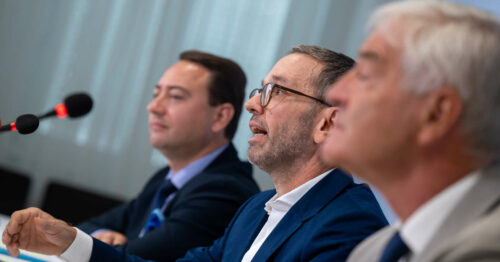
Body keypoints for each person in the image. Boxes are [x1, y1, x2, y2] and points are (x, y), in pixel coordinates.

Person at [2, 45, 388, 261]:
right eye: (259, 89)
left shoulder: (350, 225)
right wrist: (69, 241)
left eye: (277, 92)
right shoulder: (255, 209)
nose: (253, 104)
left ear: (328, 124)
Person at [319, 1, 500, 262]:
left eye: (365, 76)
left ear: (436, 114)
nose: (334, 94)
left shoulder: (486, 251)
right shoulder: (372, 251)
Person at [58, 50, 261, 261]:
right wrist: (103, 237)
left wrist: (101, 245)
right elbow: (89, 227)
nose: (153, 107)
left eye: (175, 96)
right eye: (156, 94)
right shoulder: (167, 178)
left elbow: (135, 259)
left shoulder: (225, 191)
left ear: (220, 116)